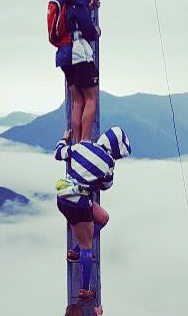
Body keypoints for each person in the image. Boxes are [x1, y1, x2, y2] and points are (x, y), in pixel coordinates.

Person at [55, 125, 132, 300]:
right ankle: (84, 289)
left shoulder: (80, 146)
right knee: (87, 247)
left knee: (103, 218)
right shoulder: (109, 162)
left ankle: (75, 252)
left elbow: (58, 153)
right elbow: (106, 186)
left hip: (63, 198)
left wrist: (64, 139)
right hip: (80, 203)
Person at [55, 0, 102, 143]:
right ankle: (85, 140)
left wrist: (88, 8)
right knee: (90, 98)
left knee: (77, 100)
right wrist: (96, 31)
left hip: (65, 56)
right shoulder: (80, 2)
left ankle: (76, 140)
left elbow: (73, 21)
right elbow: (89, 32)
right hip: (80, 54)